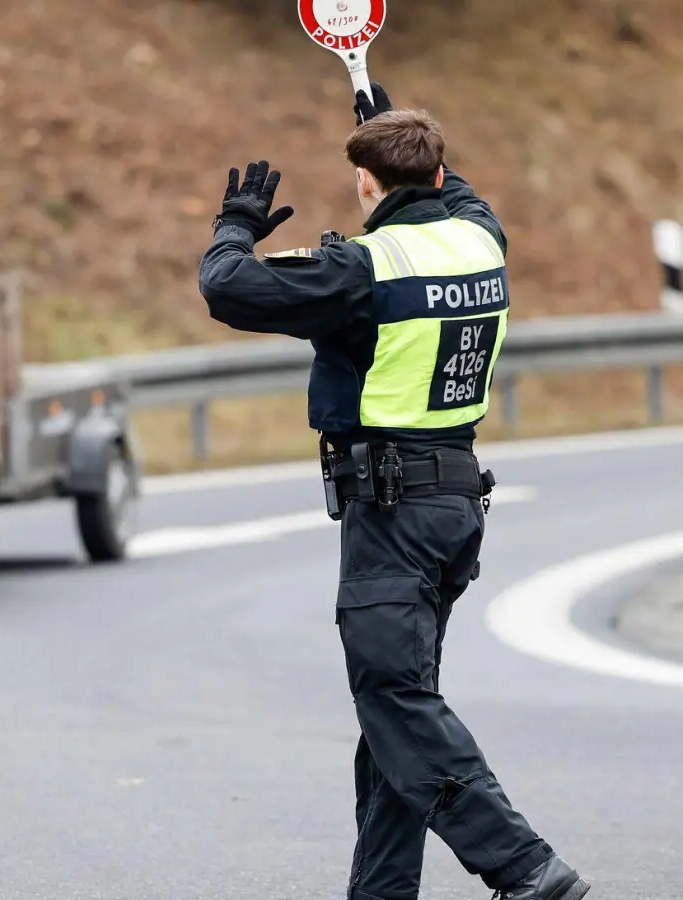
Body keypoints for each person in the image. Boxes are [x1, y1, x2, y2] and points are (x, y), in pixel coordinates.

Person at [197, 84, 591, 900]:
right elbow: (455, 185)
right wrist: (386, 125)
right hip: (455, 508)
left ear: (368, 187)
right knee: (395, 713)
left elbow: (228, 288)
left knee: (395, 701)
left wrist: (234, 225)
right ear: (440, 171)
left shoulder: (360, 269)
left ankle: (522, 865)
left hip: (391, 513)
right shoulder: (482, 240)